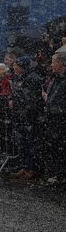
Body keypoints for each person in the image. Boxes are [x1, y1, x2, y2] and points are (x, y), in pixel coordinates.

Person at [44, 53, 66, 183]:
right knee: (55, 146)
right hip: (53, 119)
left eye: (54, 62)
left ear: (62, 64)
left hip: (61, 118)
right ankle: (58, 173)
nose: (52, 65)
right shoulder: (55, 79)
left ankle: (60, 174)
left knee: (60, 147)